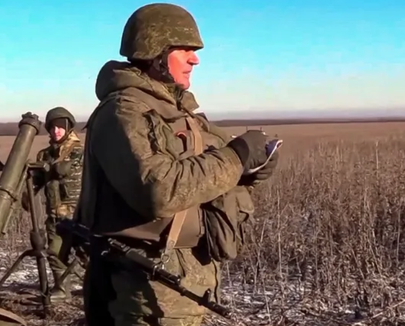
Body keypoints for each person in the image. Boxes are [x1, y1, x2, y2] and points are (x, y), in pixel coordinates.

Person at [76, 3, 279, 326]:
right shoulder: (124, 113)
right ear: (154, 51)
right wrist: (237, 156)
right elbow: (160, 190)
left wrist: (249, 168)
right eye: (184, 49)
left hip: (178, 281)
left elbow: (205, 172)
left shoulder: (176, 112)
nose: (194, 59)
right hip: (144, 289)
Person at [23, 107, 84, 302]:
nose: (56, 131)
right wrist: (28, 194)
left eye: (60, 127)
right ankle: (61, 289)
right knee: (55, 253)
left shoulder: (81, 152)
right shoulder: (45, 155)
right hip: (56, 215)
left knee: (89, 255)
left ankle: (96, 289)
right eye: (52, 128)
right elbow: (38, 180)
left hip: (82, 215)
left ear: (68, 127)